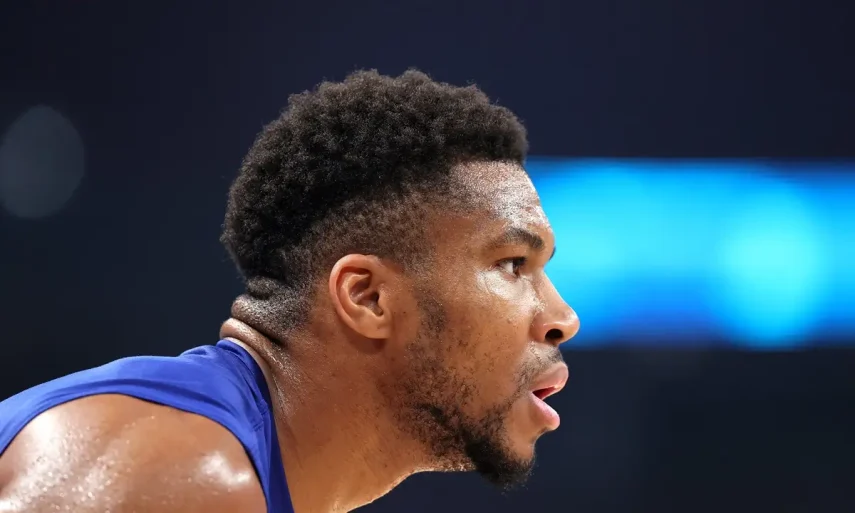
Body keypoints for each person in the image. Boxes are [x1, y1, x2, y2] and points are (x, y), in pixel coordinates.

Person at [0, 69, 578, 513]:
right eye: (513, 264)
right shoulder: (183, 474)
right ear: (368, 297)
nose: (562, 317)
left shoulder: (238, 464)